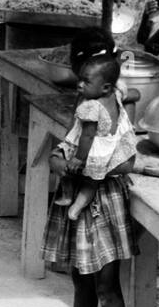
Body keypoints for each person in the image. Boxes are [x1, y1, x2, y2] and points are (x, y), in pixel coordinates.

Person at [43, 31, 139, 307]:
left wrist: (87, 167)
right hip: (77, 191)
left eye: (83, 77)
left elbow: (126, 161)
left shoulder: (115, 104)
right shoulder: (88, 103)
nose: (79, 84)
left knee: (107, 287)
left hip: (105, 202)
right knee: (81, 279)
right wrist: (59, 159)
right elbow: (69, 143)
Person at [53, 53, 139, 222]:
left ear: (105, 87)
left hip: (94, 152)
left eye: (86, 82)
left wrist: (78, 159)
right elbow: (133, 93)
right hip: (114, 148)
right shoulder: (117, 93)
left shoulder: (91, 106)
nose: (79, 85)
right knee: (86, 177)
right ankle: (73, 201)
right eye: (80, 80)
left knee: (80, 174)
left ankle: (74, 203)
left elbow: (87, 136)